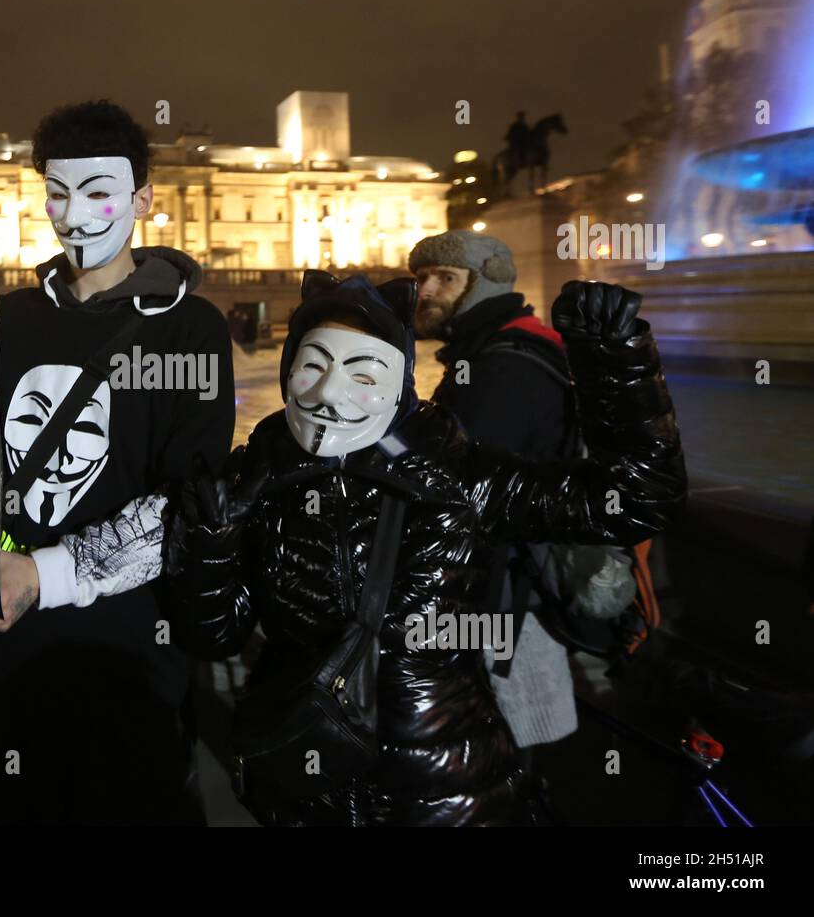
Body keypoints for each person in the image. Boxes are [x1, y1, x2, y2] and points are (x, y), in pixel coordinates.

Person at [163, 273, 686, 826]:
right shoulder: (255, 479)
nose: (328, 392)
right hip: (303, 788)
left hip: (444, 790)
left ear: (400, 380)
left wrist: (616, 362)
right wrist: (209, 547)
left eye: (362, 373)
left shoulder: (459, 476)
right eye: (314, 365)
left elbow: (632, 500)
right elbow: (214, 634)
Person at [0, 99, 236, 823]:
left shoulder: (189, 327)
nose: (74, 217)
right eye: (57, 193)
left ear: (141, 198)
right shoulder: (5, 316)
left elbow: (187, 504)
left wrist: (38, 575)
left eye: (99, 193)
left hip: (128, 651)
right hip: (3, 645)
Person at [410, 229, 579, 761]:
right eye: (421, 277)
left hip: (504, 597)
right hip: (506, 588)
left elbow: (458, 491)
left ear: (482, 286)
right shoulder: (498, 349)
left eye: (445, 278)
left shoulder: (502, 367)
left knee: (499, 754)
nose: (426, 290)